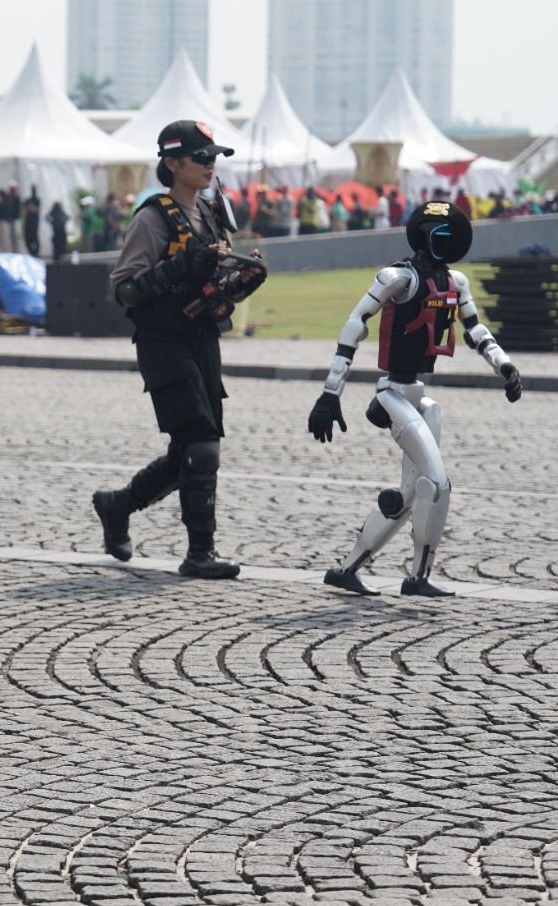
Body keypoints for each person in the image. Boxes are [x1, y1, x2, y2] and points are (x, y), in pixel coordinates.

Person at [308, 201, 521, 597]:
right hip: (391, 394)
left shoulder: (455, 282)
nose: (444, 243)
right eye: (438, 235)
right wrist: (330, 393)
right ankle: (415, 578)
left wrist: (503, 364)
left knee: (410, 494)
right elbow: (355, 323)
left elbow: (475, 329)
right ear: (422, 237)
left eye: (449, 236)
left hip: (418, 396)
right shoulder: (397, 278)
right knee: (437, 483)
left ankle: (351, 570)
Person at [92, 120, 266, 580]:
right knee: (201, 447)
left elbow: (216, 285)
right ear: (172, 163)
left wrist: (242, 281)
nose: (211, 165)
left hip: (202, 337)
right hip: (164, 341)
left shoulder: (210, 213)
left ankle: (117, 505)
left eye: (214, 157)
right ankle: (199, 553)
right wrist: (180, 266)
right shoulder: (153, 217)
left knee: (189, 450)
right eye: (201, 158)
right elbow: (125, 289)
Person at [23, 184, 41, 256]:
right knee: (27, 237)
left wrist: (30, 208)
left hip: (34, 221)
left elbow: (36, 210)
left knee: (34, 236)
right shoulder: (28, 200)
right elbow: (23, 208)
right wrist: (30, 208)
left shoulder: (37, 200)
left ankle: (36, 252)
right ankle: (31, 252)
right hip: (28, 221)